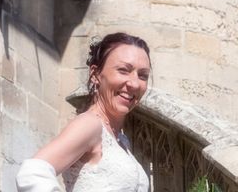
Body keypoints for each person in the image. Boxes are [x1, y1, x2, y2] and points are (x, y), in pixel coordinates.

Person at [16, 33, 151, 192]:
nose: (134, 83)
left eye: (142, 75)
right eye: (123, 70)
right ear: (95, 75)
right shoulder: (90, 124)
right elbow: (32, 173)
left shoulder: (121, 140)